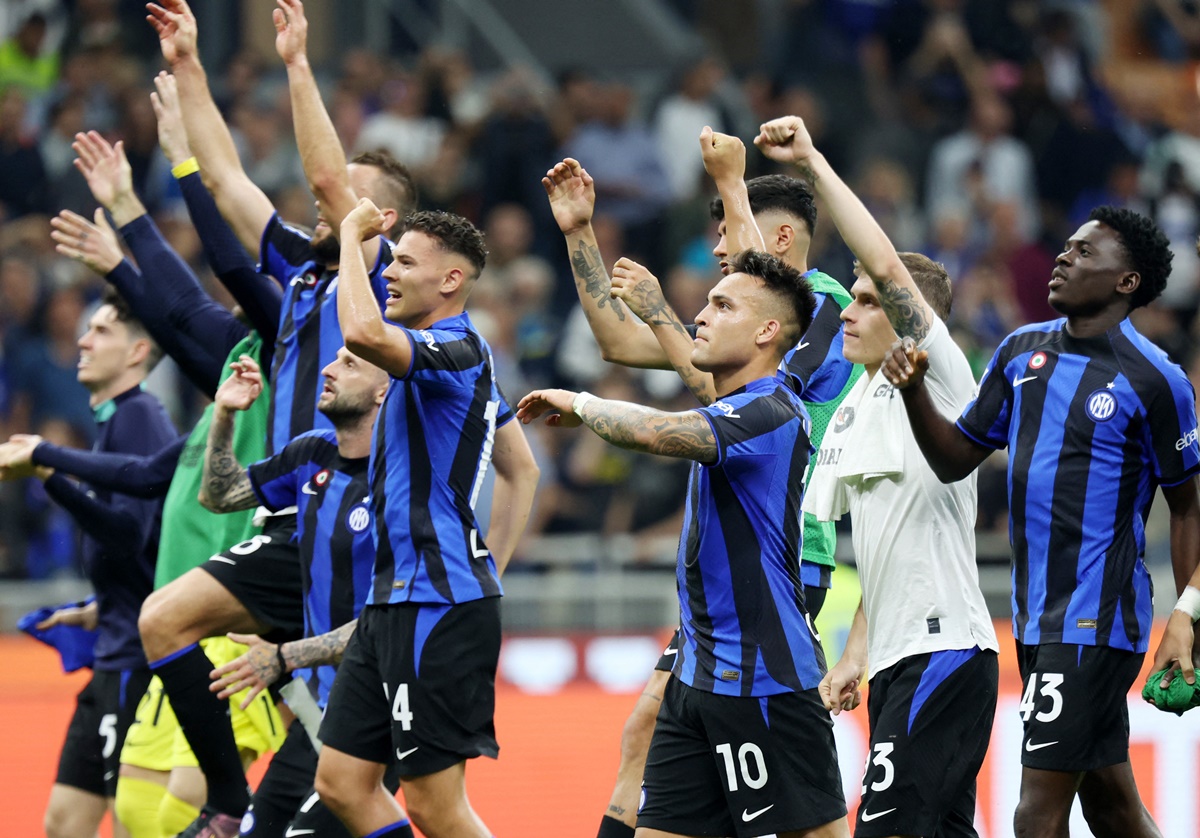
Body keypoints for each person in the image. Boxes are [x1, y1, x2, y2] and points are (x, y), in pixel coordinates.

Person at [143, 1, 418, 829]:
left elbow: (331, 181)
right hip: (296, 516)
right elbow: (228, 178)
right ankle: (230, 798)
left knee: (347, 765)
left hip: (356, 524)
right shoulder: (303, 274)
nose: (320, 195)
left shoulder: (372, 278)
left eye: (346, 195)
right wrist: (189, 65)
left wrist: (298, 65)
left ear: (384, 225)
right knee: (166, 621)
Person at [544, 143, 861, 837]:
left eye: (727, 229)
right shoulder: (735, 324)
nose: (718, 247)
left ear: (777, 238)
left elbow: (727, 403)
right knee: (648, 725)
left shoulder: (827, 312)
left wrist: (728, 181)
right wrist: (579, 236)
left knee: (677, 722)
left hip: (783, 556)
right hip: (713, 573)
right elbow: (616, 344)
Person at [881, 204, 1200, 838]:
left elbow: (1190, 505)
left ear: (1126, 282)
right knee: (1108, 803)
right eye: (1066, 246)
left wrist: (1187, 617)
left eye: (1085, 253)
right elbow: (954, 458)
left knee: (1035, 811)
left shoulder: (1156, 380)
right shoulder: (1020, 352)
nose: (1063, 257)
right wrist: (915, 391)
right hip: (1034, 618)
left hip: (1096, 618)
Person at [753, 114, 1000, 837]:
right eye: (853, 297)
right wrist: (856, 653)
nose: (851, 310)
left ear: (907, 317)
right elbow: (883, 549)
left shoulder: (942, 373)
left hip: (945, 649)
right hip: (895, 657)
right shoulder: (855, 404)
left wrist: (812, 163)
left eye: (866, 301)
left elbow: (888, 268)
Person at [311, 201, 539, 838]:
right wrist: (489, 561)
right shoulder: (437, 361)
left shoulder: (459, 348)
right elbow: (523, 469)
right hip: (392, 603)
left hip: (436, 605)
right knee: (342, 781)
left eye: (404, 262)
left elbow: (360, 333)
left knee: (435, 807)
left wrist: (354, 236)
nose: (388, 272)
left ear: (450, 281)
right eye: (389, 260)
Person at [197, 348, 412, 838]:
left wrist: (285, 655)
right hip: (318, 714)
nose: (330, 369)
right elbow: (219, 494)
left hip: (381, 711)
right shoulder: (311, 451)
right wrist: (225, 414)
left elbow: (395, 617)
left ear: (385, 390)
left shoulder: (404, 484)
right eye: (333, 359)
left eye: (351, 364)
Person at [0, 289, 177, 838]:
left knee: (130, 823)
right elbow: (143, 556)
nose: (83, 340)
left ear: (137, 351)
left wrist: (51, 479)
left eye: (100, 331)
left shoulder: (140, 417)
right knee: (62, 823)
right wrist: (93, 608)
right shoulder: (113, 421)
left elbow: (128, 535)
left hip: (134, 665)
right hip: (112, 652)